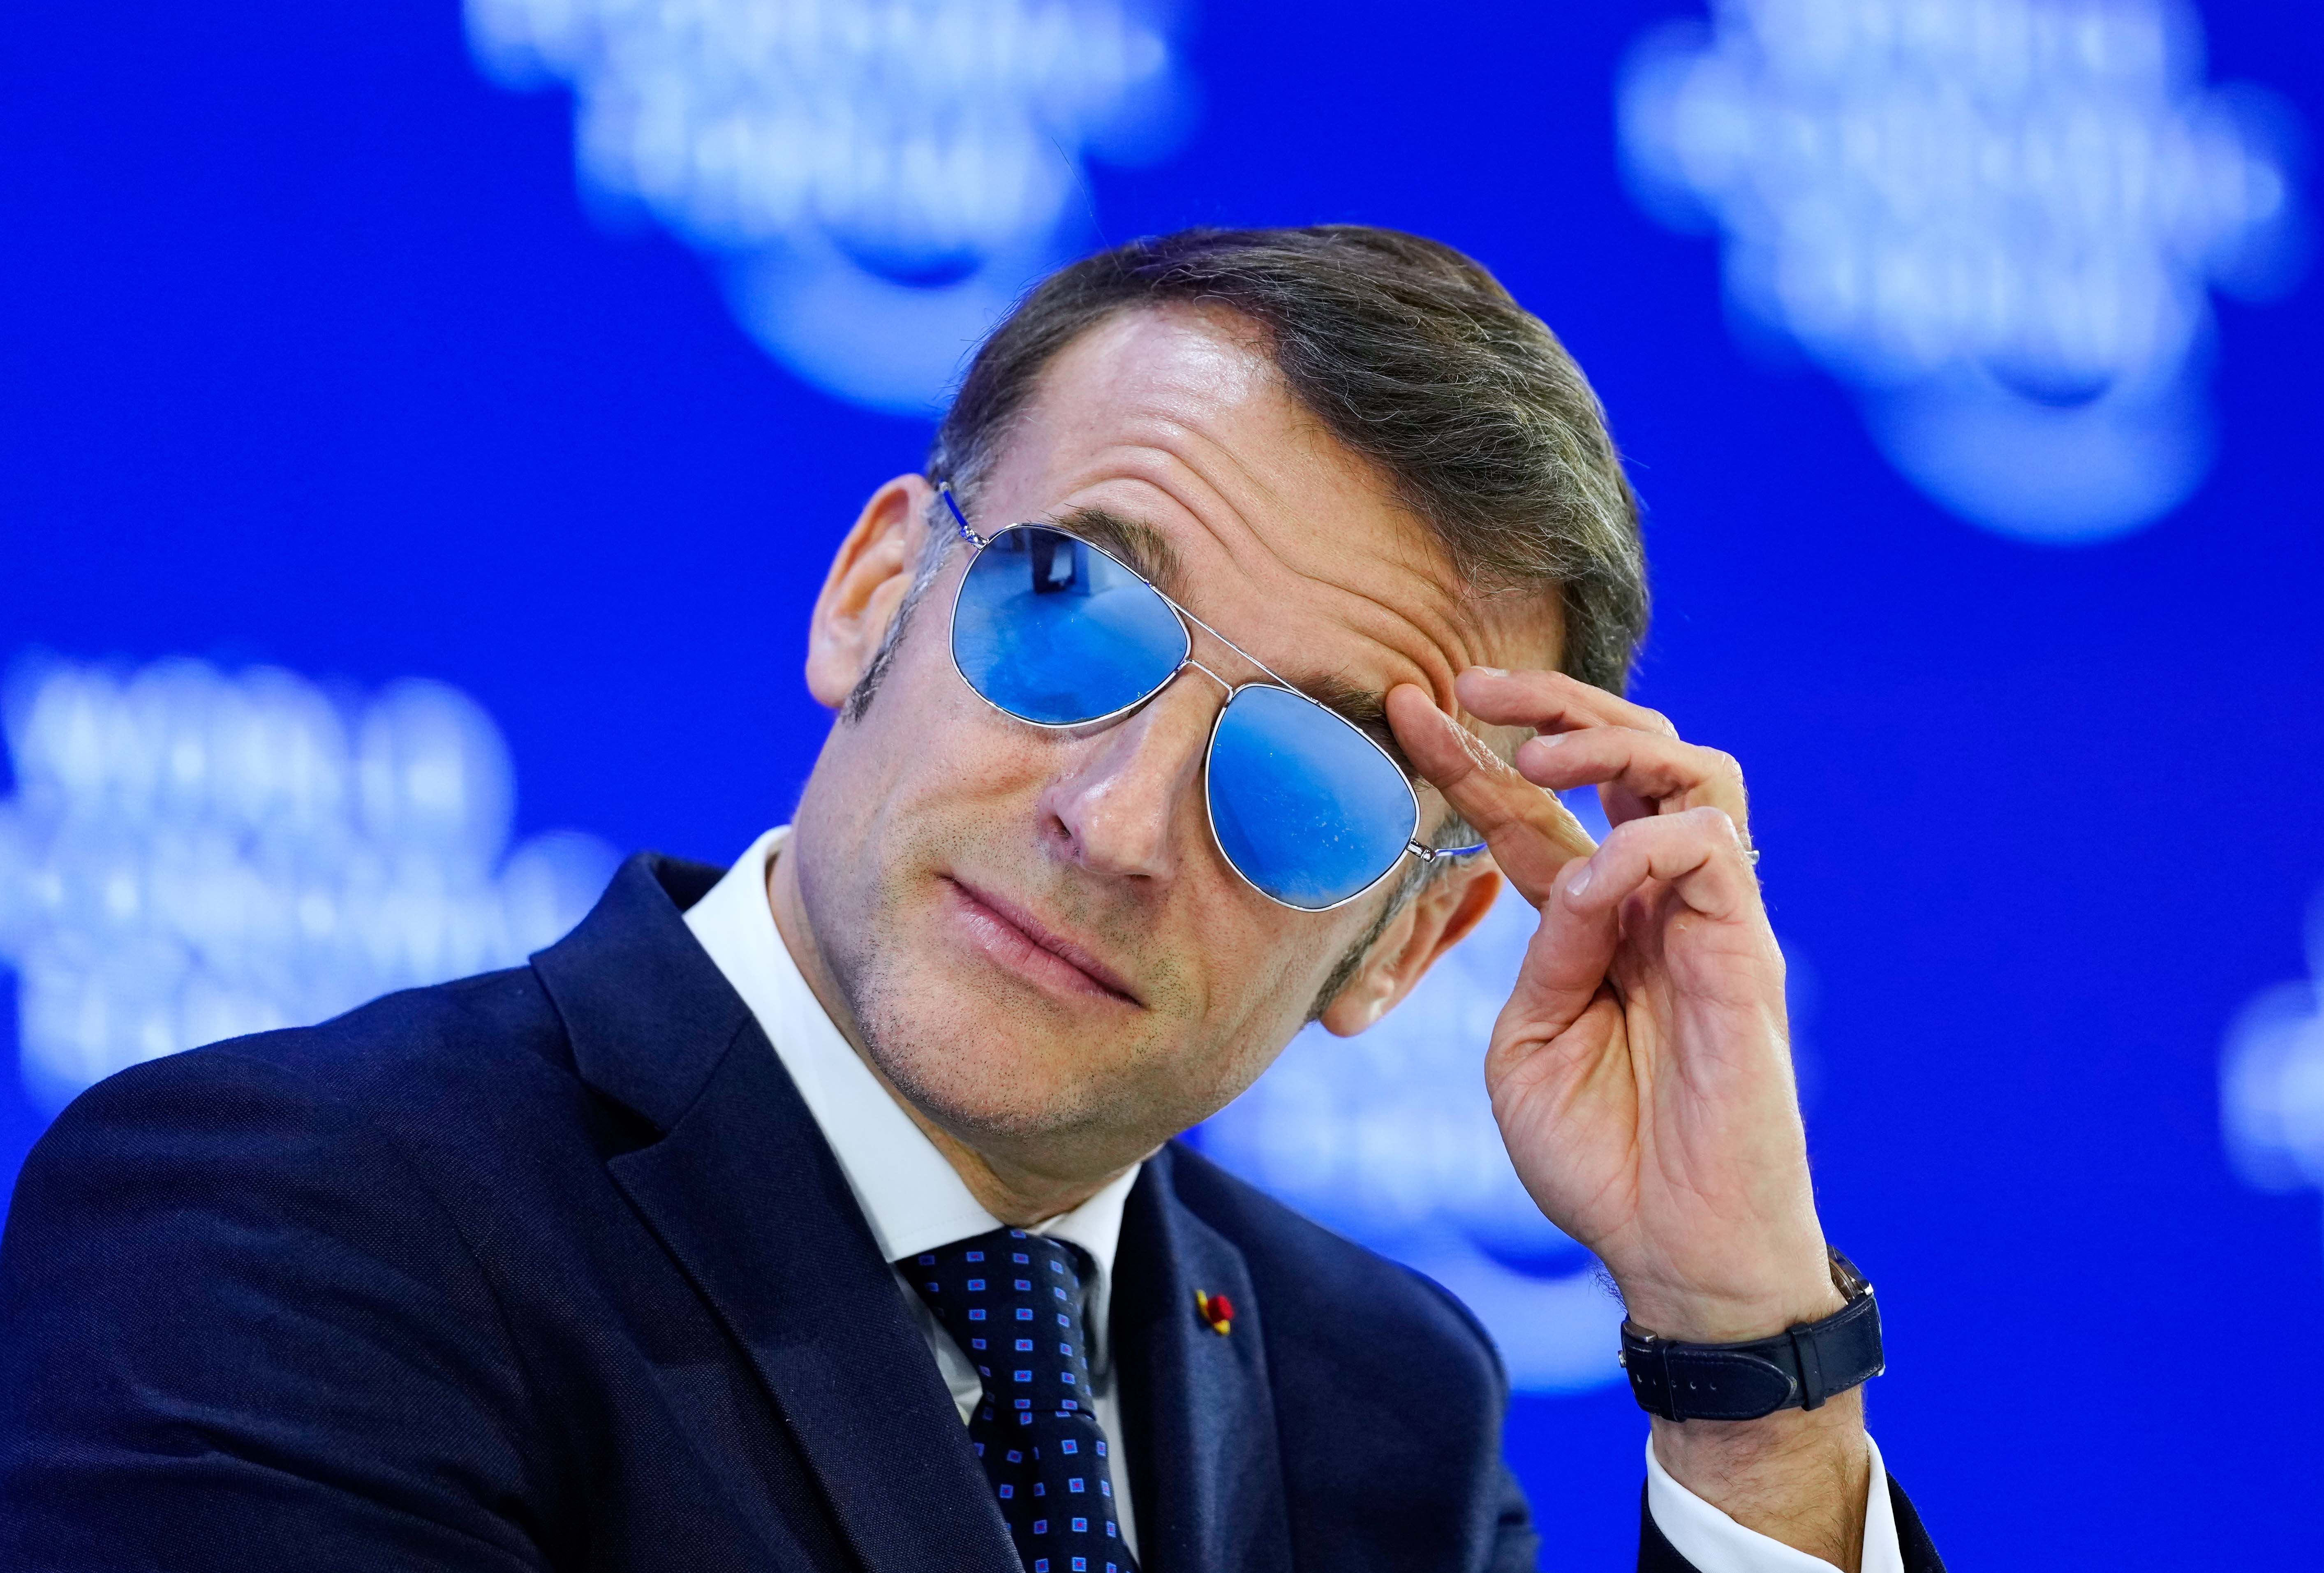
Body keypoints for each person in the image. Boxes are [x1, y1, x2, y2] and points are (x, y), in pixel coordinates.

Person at [0, 227, 1943, 1572]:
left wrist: (1749, 1370)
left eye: (1308, 780)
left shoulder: (1379, 1402)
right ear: (873, 596)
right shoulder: (293, 1216)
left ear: (1406, 941)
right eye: (1067, 615)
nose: (1116, 822)